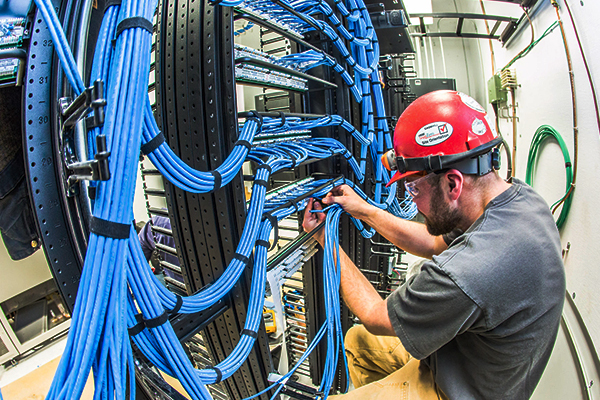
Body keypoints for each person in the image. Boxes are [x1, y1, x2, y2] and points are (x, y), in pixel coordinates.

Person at [302, 90, 565, 399]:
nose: (412, 202)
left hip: (458, 391)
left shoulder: (470, 271)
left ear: (453, 183)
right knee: (358, 343)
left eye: (412, 188)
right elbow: (431, 241)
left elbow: (375, 315)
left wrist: (324, 238)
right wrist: (364, 210)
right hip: (465, 361)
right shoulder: (520, 200)